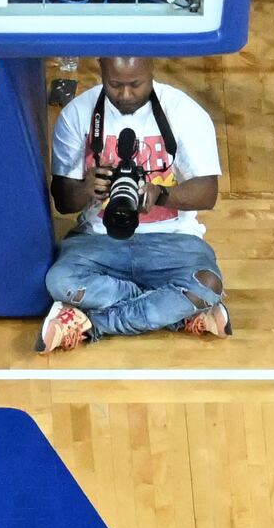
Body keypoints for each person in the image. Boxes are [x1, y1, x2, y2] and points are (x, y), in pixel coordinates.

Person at [40, 54, 230, 352]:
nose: (125, 94)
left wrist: (161, 194)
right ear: (100, 67)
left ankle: (92, 324)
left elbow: (208, 192)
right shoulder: (77, 113)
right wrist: (87, 188)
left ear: (151, 68)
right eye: (115, 84)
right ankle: (174, 311)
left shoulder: (184, 111)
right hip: (97, 241)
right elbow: (63, 201)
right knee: (60, 280)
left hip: (174, 242)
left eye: (135, 84)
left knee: (207, 283)